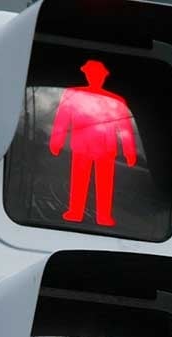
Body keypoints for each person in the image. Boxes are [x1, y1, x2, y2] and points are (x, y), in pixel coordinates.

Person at [48, 59, 138, 227]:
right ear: (86, 74)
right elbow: (62, 118)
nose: (95, 77)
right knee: (79, 181)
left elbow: (125, 128)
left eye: (98, 75)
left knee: (104, 184)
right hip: (82, 146)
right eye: (92, 74)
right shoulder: (73, 94)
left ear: (103, 77)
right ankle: (75, 212)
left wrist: (129, 151)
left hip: (106, 149)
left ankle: (103, 216)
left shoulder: (115, 100)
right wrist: (56, 141)